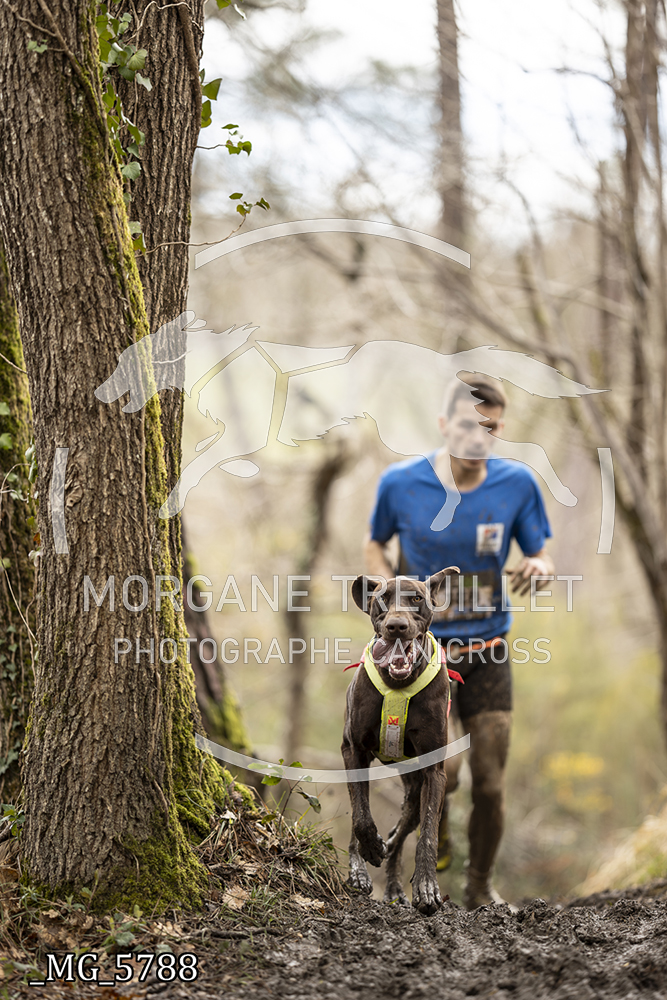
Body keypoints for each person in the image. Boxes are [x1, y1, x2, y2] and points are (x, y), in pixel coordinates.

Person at [364, 373, 554, 910]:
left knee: (490, 783)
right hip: (424, 655)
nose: (478, 436)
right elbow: (375, 542)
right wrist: (386, 588)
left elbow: (540, 552)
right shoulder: (401, 483)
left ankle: (479, 885)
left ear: (500, 428)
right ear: (445, 424)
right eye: (468, 425)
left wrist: (539, 566)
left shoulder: (517, 484)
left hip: (488, 650)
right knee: (442, 774)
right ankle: (436, 830)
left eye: (489, 427)